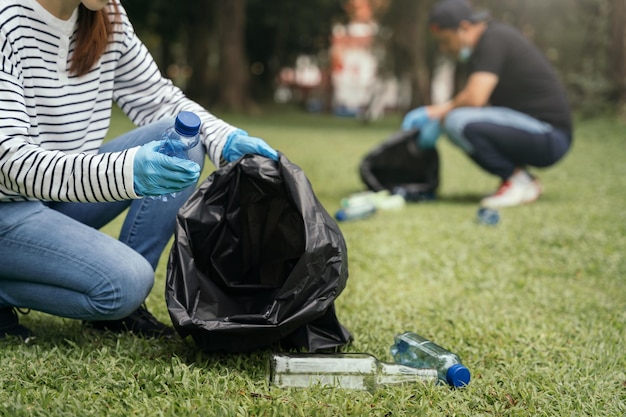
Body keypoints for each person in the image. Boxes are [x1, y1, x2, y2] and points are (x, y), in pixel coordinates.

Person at [0, 0, 279, 340]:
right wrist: (128, 171)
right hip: (7, 206)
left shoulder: (106, 14)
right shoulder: (7, 22)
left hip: (52, 197)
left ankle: (120, 312)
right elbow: (10, 162)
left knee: (183, 139)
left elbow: (157, 98)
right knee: (125, 282)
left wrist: (225, 138)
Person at [402, 0, 572, 208]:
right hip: (535, 130)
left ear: (464, 27)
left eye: (446, 40)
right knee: (455, 119)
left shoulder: (494, 38)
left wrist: (433, 112)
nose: (444, 48)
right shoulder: (484, 46)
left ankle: (518, 181)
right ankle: (519, 180)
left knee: (456, 121)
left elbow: (475, 98)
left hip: (549, 135)